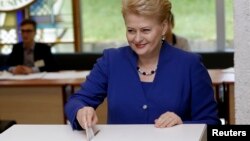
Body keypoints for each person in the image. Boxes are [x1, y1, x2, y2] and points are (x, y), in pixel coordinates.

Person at [65, 0, 221, 130]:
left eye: (145, 30)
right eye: (131, 30)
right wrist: (80, 111)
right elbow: (76, 101)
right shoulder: (111, 61)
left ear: (164, 27)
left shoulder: (190, 65)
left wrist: (183, 125)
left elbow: (211, 123)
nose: (137, 39)